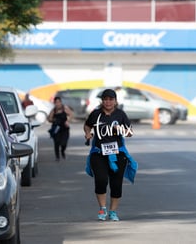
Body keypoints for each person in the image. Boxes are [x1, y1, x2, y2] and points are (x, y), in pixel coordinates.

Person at [83, 88, 138, 221]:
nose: (108, 102)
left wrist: (121, 129)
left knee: (116, 184)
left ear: (115, 101)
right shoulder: (96, 114)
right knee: (101, 180)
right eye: (105, 99)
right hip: (99, 152)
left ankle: (113, 211)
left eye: (110, 99)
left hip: (118, 153)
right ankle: (102, 208)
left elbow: (130, 133)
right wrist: (88, 133)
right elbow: (87, 125)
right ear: (102, 101)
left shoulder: (121, 115)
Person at [48, 96, 73, 161]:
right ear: (54, 103)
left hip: (64, 128)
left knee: (64, 143)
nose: (58, 104)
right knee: (56, 142)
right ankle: (57, 157)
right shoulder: (53, 110)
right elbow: (49, 119)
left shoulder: (64, 108)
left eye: (59, 102)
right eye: (56, 102)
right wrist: (54, 120)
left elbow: (71, 115)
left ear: (61, 102)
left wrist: (68, 121)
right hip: (56, 129)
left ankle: (62, 151)